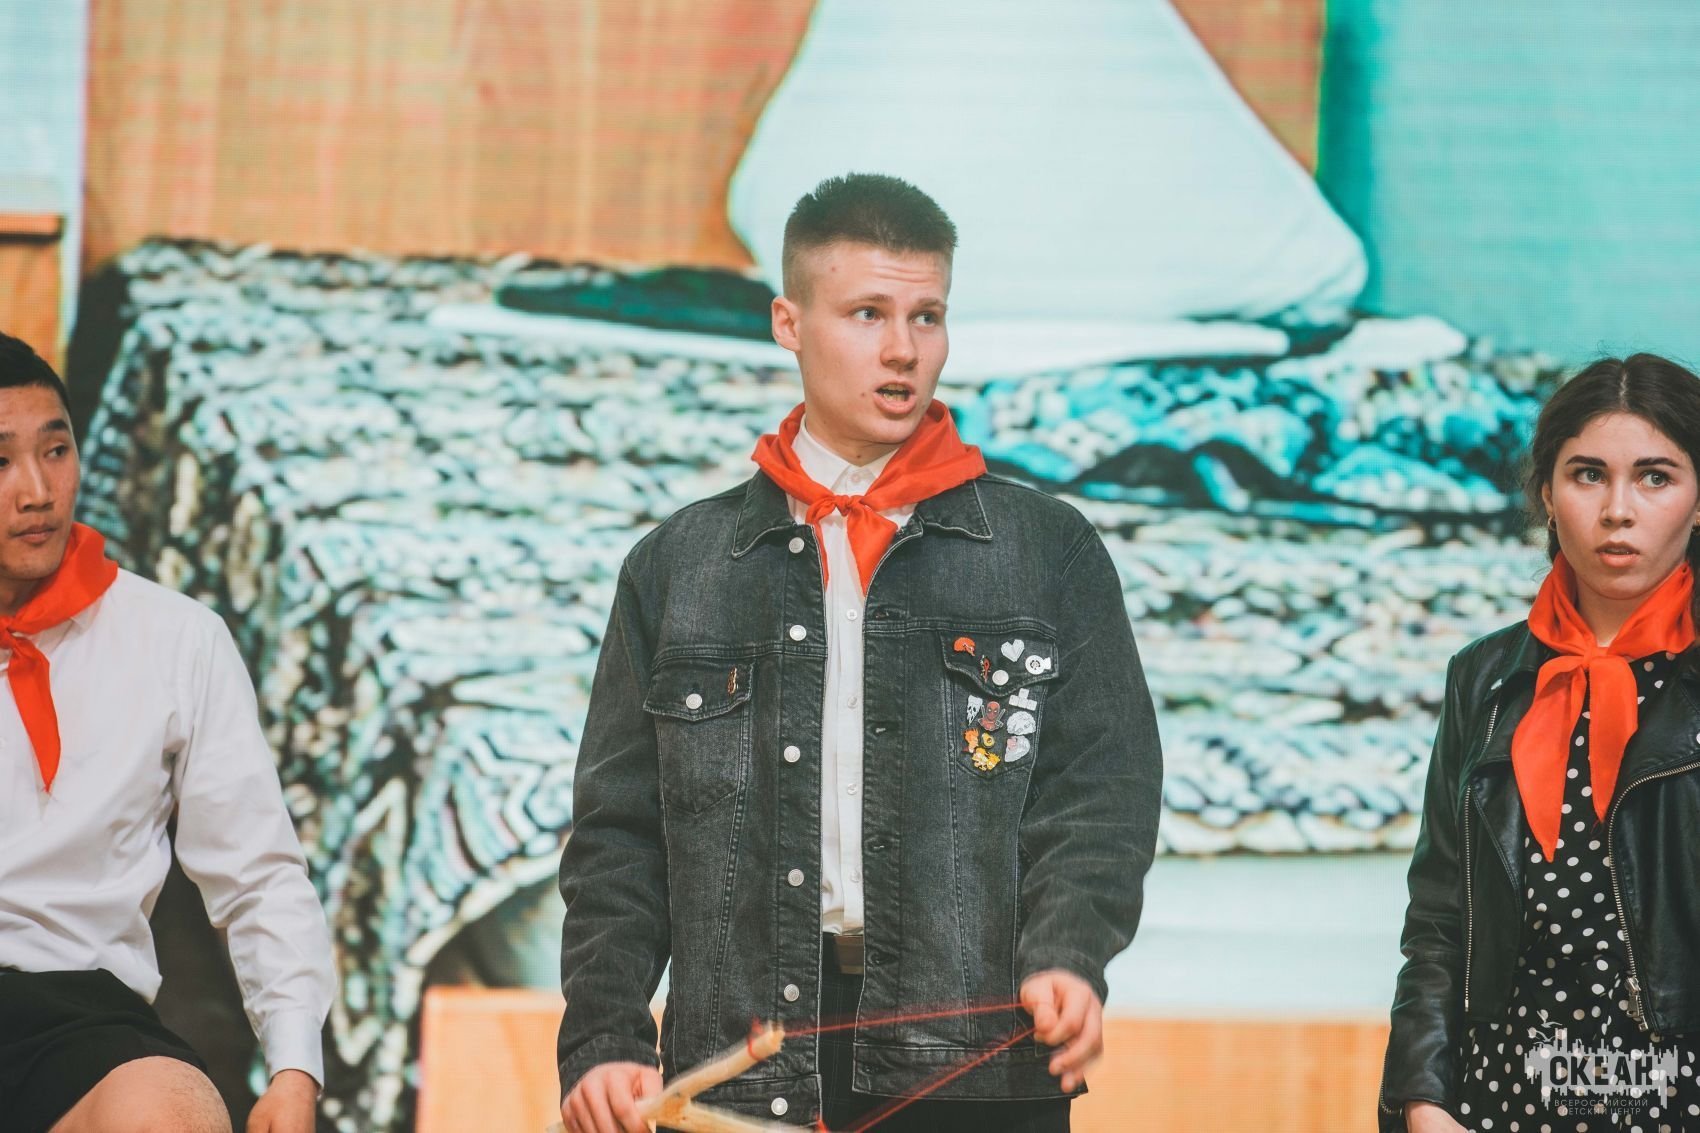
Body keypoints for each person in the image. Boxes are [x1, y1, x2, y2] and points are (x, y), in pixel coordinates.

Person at [556, 173, 1162, 1133]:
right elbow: (619, 834)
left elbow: (1101, 792)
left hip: (975, 1063)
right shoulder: (679, 566)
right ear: (789, 324)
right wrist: (604, 1035)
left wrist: (1069, 951)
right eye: (867, 313)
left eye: (928, 316)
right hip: (744, 1062)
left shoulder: (1047, 550)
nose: (902, 350)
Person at [0, 332, 336, 1133]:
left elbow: (258, 872)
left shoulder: (175, 638)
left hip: (78, 1011)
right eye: (0, 461)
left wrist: (294, 1067)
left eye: (56, 450)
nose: (37, 490)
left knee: (176, 1114)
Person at [1380, 353, 1700, 1132]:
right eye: (1588, 474)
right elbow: (1439, 917)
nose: (1618, 509)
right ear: (1548, 497)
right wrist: (1423, 1097)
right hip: (1503, 1096)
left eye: (1655, 477)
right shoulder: (1485, 677)